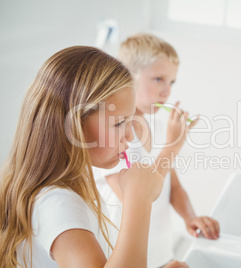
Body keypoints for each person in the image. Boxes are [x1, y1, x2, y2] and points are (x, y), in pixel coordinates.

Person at [0, 46, 190, 268]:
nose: (129, 136)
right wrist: (139, 199)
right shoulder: (57, 204)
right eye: (119, 123)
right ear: (73, 126)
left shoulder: (70, 192)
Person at [93, 33, 220, 268]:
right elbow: (136, 196)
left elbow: (173, 187)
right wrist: (172, 147)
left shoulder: (160, 127)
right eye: (158, 79)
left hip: (161, 256)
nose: (167, 91)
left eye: (171, 82)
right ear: (128, 76)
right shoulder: (115, 136)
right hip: (125, 259)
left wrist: (190, 217)